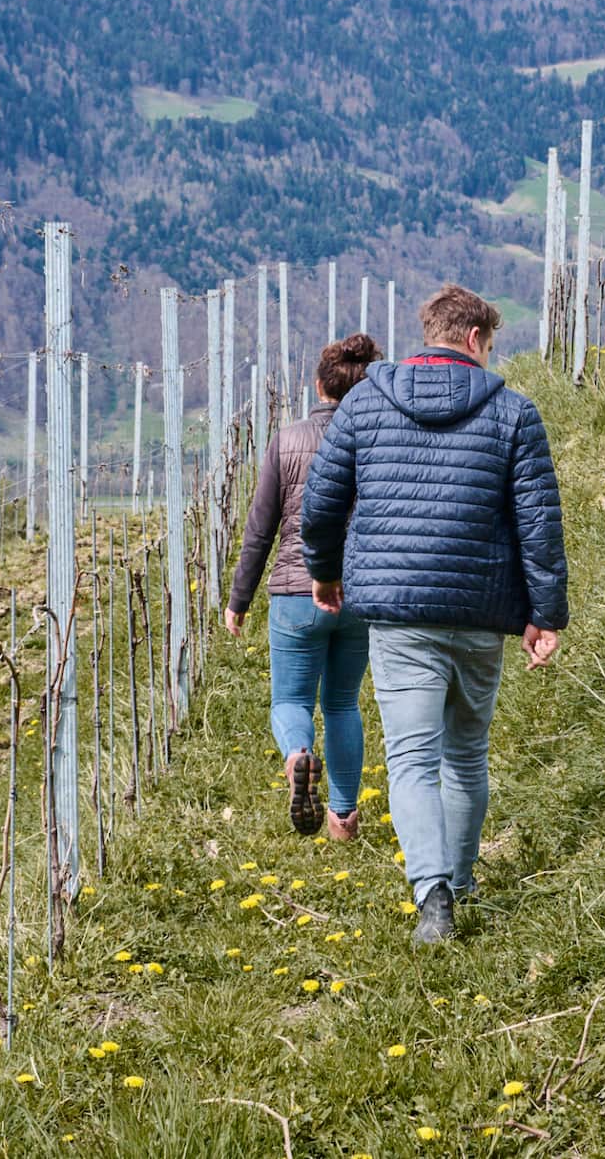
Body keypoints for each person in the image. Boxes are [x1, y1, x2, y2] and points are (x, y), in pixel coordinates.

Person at [300, 284, 568, 944]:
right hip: (480, 610)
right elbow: (539, 526)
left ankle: (432, 895)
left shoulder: (365, 403)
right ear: (475, 339)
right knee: (466, 755)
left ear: (430, 334)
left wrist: (325, 573)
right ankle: (462, 878)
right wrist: (546, 614)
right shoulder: (514, 413)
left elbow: (322, 502)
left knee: (412, 760)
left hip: (398, 612)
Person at [224, 333, 382, 840]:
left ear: (318, 386)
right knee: (342, 703)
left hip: (296, 593)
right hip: (359, 594)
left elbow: (260, 528)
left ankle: (297, 754)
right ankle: (344, 819)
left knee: (290, 701)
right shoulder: (378, 441)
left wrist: (239, 599)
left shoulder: (287, 439)